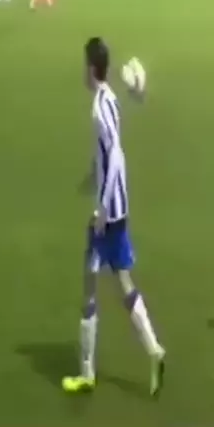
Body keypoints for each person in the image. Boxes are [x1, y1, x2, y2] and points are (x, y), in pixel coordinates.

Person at [62, 37, 166, 397]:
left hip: (108, 214)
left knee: (89, 286)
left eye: (84, 65)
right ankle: (154, 350)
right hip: (119, 209)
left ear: (92, 68)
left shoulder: (99, 108)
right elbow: (107, 155)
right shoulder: (110, 98)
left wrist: (102, 208)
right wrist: (92, 175)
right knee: (123, 281)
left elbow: (116, 156)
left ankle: (86, 373)